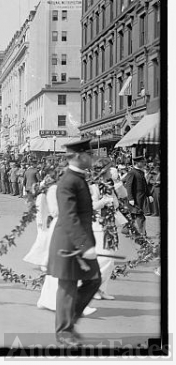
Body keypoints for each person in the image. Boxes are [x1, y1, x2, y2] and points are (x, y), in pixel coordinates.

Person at [47, 139, 101, 347]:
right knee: (67, 288)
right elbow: (69, 217)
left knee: (94, 280)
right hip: (69, 244)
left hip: (78, 241)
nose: (92, 158)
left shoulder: (78, 178)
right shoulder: (68, 181)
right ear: (79, 156)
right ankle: (63, 331)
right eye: (89, 155)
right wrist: (84, 246)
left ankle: (71, 319)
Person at [89, 158, 119, 301]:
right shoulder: (93, 187)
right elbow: (91, 206)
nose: (111, 172)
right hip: (98, 227)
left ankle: (101, 289)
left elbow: (117, 204)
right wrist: (105, 201)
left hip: (110, 225)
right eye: (109, 169)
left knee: (110, 260)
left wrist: (114, 195)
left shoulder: (109, 186)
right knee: (105, 258)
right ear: (103, 171)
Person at [124, 156, 153, 236]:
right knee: (138, 216)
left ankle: (138, 233)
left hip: (141, 198)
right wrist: (130, 198)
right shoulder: (132, 172)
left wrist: (149, 195)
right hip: (135, 199)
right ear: (137, 163)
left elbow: (145, 185)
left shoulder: (141, 172)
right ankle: (141, 235)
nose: (144, 163)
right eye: (142, 162)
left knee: (138, 216)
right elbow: (129, 186)